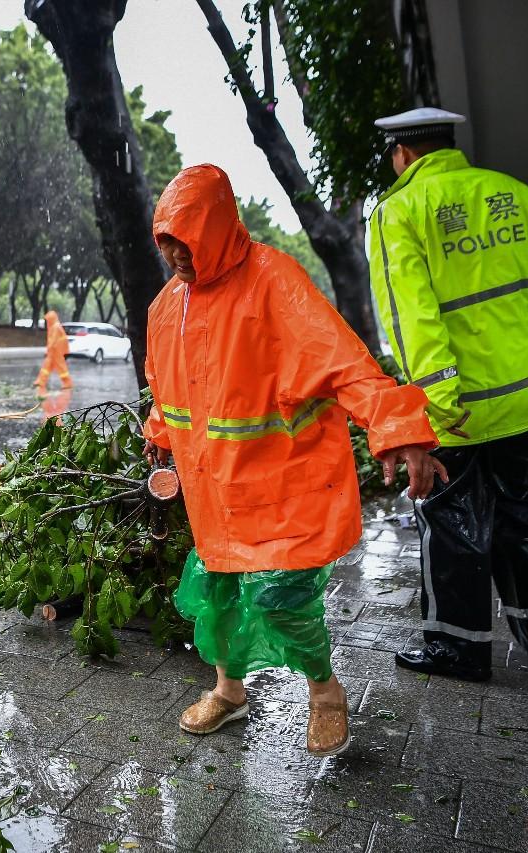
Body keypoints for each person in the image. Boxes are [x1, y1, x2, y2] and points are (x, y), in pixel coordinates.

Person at [143, 164, 445, 755]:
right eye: (167, 243)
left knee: (283, 599)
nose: (177, 255)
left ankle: (325, 695)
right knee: (219, 597)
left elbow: (345, 364)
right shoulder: (165, 308)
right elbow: (169, 390)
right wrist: (159, 434)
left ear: (217, 228)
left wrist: (399, 428)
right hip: (215, 493)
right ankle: (230, 692)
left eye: (187, 240)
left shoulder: (273, 281)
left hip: (283, 486)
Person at [369, 107, 528, 681]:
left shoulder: (399, 211)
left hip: (456, 407)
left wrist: (434, 406)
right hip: (520, 400)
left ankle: (458, 650)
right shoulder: (514, 195)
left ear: (403, 154)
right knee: (522, 517)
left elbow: (412, 322)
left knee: (453, 526)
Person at [34, 310, 72, 392]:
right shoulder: (54, 326)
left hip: (57, 350)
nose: (47, 322)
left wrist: (48, 350)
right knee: (46, 366)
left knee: (61, 367)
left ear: (51, 319)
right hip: (54, 350)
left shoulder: (55, 327)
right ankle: (41, 381)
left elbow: (53, 340)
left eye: (48, 320)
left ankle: (67, 383)